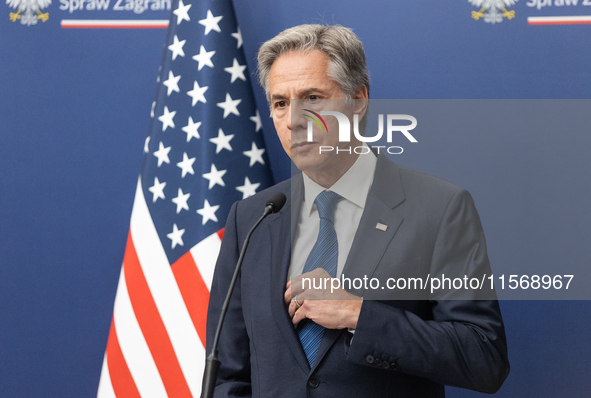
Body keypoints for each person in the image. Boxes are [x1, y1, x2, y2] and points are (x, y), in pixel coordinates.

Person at [206, 24, 509, 397]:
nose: (294, 120)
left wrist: (359, 315)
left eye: (313, 97)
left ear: (358, 99)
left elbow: (483, 358)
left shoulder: (439, 207)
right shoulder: (252, 217)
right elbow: (229, 374)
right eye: (280, 102)